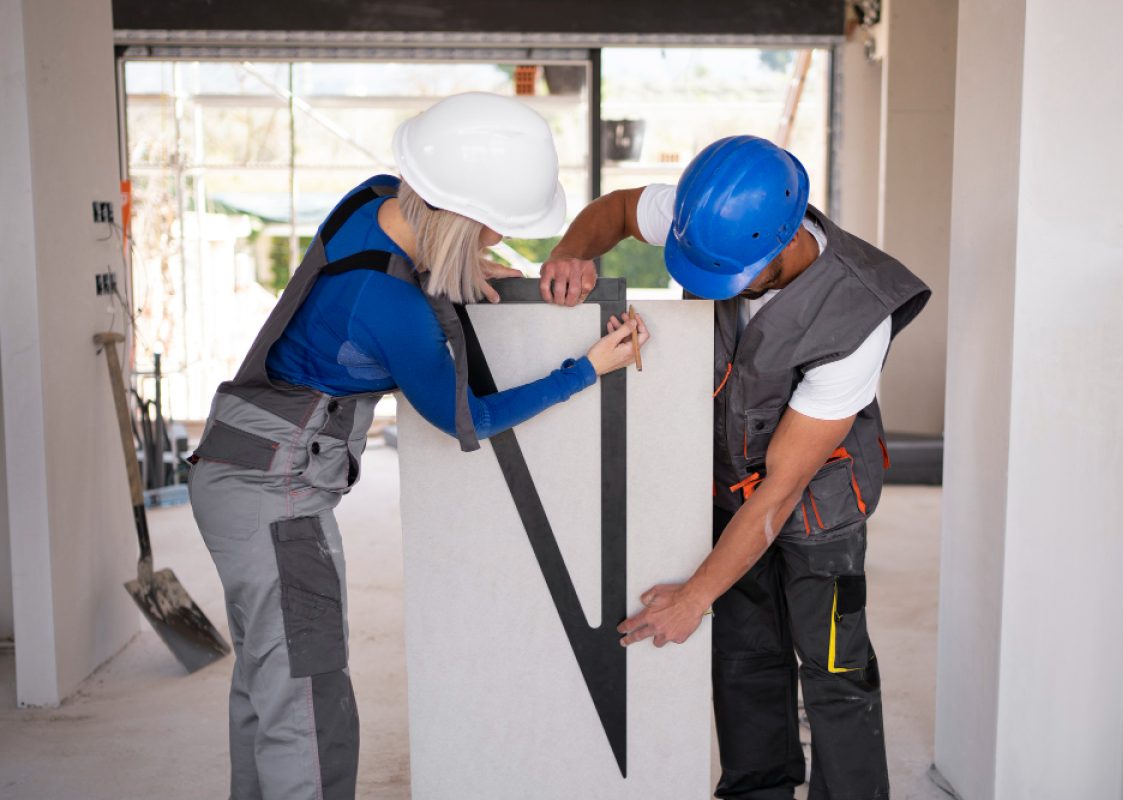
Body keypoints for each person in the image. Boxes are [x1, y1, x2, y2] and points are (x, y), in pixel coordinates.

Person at [187, 92, 648, 800]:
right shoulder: (390, 308)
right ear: (460, 217)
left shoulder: (372, 200)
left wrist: (458, 269)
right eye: (492, 232)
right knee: (310, 703)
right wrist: (586, 370)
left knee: (269, 684)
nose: (498, 243)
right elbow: (468, 420)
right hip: (277, 496)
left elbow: (404, 266)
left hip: (237, 462)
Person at [539, 135, 930, 800]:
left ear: (783, 245)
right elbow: (615, 210)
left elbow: (782, 489)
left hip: (819, 504)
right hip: (727, 482)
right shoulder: (713, 219)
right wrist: (571, 251)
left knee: (835, 669)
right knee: (745, 658)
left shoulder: (857, 315)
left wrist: (695, 595)